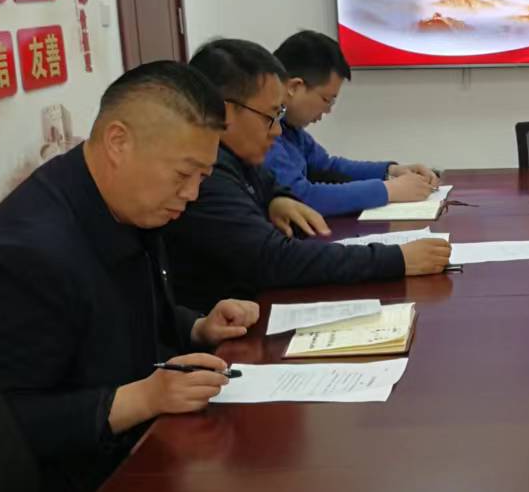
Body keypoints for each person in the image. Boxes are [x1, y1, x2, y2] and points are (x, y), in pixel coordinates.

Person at [0, 60, 256, 492]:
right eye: (183, 174)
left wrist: (198, 327)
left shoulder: (125, 205)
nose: (193, 194)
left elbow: (125, 319)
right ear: (119, 142)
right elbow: (1, 424)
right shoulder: (29, 255)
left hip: (138, 458)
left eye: (203, 176)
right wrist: (143, 398)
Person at [164, 38, 450, 311]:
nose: (277, 130)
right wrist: (396, 259)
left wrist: (278, 198)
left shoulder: (238, 157)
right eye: (271, 116)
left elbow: (286, 182)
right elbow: (275, 260)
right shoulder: (209, 175)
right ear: (225, 112)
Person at [265, 29, 441, 216]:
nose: (328, 110)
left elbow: (328, 168)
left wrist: (392, 171)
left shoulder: (291, 129)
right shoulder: (262, 131)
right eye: (326, 99)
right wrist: (389, 190)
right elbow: (302, 197)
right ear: (294, 87)